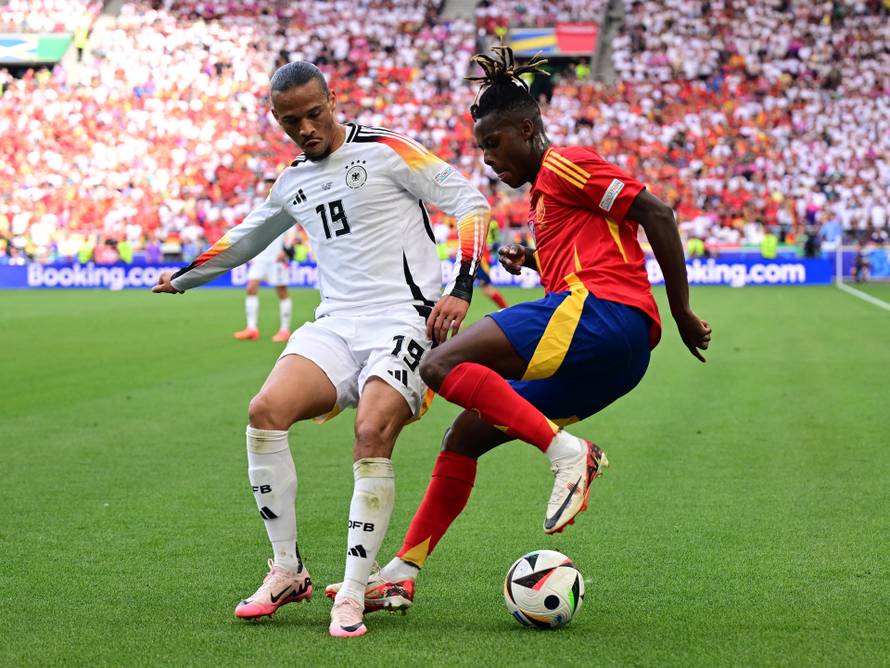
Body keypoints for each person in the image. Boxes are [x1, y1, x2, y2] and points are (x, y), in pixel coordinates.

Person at [325, 46, 711, 613]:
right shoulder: (545, 193)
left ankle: (567, 454)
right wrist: (533, 260)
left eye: (494, 142)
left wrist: (680, 311)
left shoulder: (564, 164)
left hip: (604, 315)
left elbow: (655, 213)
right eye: (482, 147)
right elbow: (597, 247)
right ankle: (401, 573)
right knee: (466, 435)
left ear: (528, 129)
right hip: (617, 357)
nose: (488, 159)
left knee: (440, 364)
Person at [151, 61, 490, 637]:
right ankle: (286, 570)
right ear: (277, 121)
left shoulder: (388, 150)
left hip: (404, 321)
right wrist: (183, 276)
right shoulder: (292, 182)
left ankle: (353, 592)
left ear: (333, 100)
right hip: (334, 325)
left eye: (314, 113)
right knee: (264, 412)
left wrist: (461, 288)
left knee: (371, 431)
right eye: (291, 121)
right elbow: (247, 238)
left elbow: (472, 205)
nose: (306, 128)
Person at [233, 229, 294, 342]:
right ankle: (252, 329)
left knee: (282, 292)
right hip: (260, 258)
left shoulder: (285, 212)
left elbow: (291, 232)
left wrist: (286, 249)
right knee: (251, 288)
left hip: (277, 258)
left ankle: (284, 330)